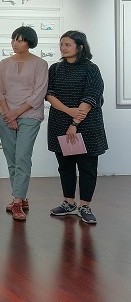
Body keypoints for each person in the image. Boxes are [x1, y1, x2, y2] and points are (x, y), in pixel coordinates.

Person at [46, 31, 107, 224]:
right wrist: (68, 111)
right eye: (61, 44)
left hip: (87, 124)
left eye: (67, 45)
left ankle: (85, 205)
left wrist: (74, 123)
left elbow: (92, 95)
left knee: (87, 167)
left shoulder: (91, 68)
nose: (63, 48)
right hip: (59, 122)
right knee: (65, 166)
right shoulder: (55, 68)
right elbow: (49, 94)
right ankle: (69, 203)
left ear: (80, 47)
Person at [0, 26, 49, 221]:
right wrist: (8, 114)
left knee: (22, 157)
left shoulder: (40, 64)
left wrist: (16, 113)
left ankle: (17, 201)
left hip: (30, 115)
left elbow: (39, 93)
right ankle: (21, 196)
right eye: (13, 39)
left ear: (29, 42)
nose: (15, 44)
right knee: (12, 159)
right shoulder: (4, 63)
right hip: (6, 114)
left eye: (20, 40)